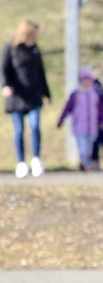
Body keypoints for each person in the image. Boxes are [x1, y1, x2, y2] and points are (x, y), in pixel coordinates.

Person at [1, 19, 51, 178]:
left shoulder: (35, 50)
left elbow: (41, 73)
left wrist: (47, 93)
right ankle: (21, 162)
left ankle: (36, 159)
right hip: (17, 97)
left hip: (34, 95)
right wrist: (5, 86)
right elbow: (4, 69)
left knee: (35, 126)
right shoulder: (11, 48)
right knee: (19, 130)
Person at [57, 67, 103, 171]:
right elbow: (68, 108)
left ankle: (87, 162)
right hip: (80, 125)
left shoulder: (95, 94)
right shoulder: (76, 94)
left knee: (90, 146)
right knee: (82, 146)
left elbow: (100, 109)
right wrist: (61, 120)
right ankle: (84, 163)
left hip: (93, 126)